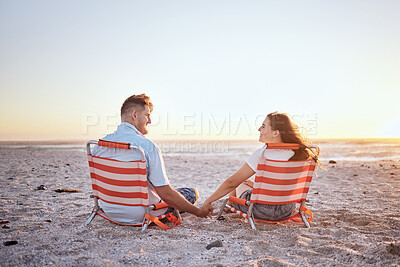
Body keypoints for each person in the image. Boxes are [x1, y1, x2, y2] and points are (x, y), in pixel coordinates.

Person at [92, 94, 213, 225]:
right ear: (135, 114)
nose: (150, 121)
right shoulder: (146, 146)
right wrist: (199, 212)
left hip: (110, 210)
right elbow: (167, 195)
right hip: (142, 213)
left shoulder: (99, 145)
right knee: (191, 192)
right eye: (147, 115)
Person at [203, 112, 320, 221]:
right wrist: (256, 186)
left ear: (276, 133)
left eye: (263, 126)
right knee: (246, 183)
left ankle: (229, 207)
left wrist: (207, 202)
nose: (259, 129)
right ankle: (230, 206)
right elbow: (283, 187)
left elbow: (231, 183)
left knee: (238, 182)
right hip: (286, 211)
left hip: (260, 210)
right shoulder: (299, 154)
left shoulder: (263, 153)